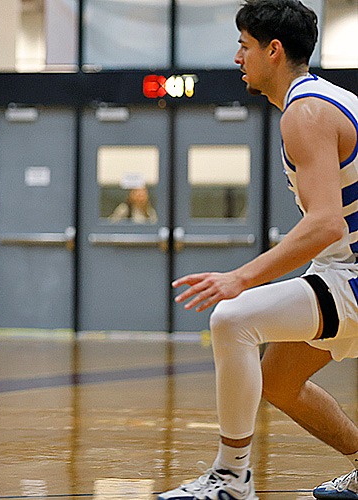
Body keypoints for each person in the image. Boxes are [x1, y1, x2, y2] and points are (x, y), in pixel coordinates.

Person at [159, 0, 358, 498]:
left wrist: (240, 278)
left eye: (244, 46)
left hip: (350, 273)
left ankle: (230, 479)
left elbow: (325, 224)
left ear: (274, 51)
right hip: (341, 269)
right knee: (277, 381)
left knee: (232, 318)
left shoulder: (306, 112)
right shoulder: (328, 99)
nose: (237, 58)